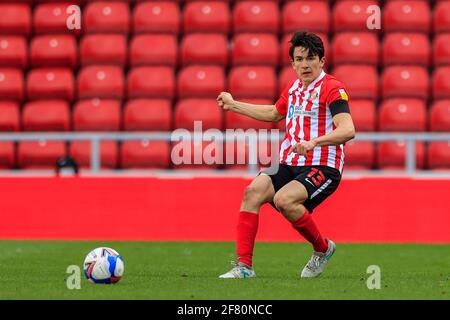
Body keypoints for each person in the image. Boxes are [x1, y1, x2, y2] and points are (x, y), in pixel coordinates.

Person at [216, 31, 355, 279]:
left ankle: (322, 249)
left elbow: (347, 129)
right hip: (289, 162)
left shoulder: (333, 88)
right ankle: (244, 268)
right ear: (292, 64)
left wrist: (314, 142)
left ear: (322, 61)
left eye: (311, 58)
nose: (305, 64)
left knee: (284, 200)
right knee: (252, 192)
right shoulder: (292, 90)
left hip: (322, 165)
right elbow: (273, 113)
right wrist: (234, 104)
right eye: (299, 59)